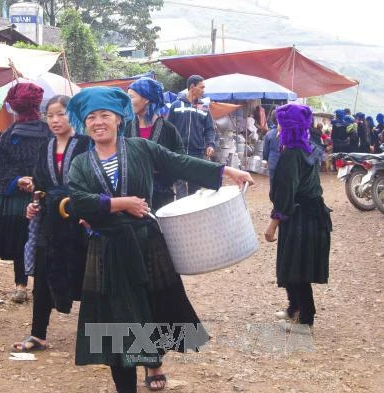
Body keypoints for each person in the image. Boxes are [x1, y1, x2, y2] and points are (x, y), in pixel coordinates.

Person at [66, 87, 254, 393]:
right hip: (108, 248)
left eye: (105, 115)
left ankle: (154, 362)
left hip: (145, 243)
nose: (98, 122)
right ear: (85, 124)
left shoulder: (141, 148)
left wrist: (227, 170)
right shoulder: (81, 164)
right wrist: (121, 203)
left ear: (118, 119)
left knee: (152, 308)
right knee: (116, 323)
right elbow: (78, 200)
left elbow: (179, 163)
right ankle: (125, 386)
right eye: (91, 117)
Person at [12, 95, 89, 352]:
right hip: (50, 223)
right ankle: (38, 334)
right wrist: (34, 203)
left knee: (87, 276)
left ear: (74, 115)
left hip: (81, 222)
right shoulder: (45, 147)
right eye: (50, 115)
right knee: (43, 274)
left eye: (61, 114)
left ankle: (92, 338)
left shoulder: (86, 145)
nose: (55, 120)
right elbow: (40, 185)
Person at [264, 103, 332, 335]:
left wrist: (273, 223)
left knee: (297, 267)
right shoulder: (309, 147)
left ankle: (306, 319)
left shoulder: (292, 154)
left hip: (301, 216)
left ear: (288, 128)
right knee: (290, 263)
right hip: (310, 215)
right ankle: (294, 308)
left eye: (280, 126)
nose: (278, 130)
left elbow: (286, 194)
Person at [0, 83, 50, 303]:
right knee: (43, 240)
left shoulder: (7, 136)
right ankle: (40, 287)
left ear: (15, 107)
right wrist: (33, 180)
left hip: (18, 197)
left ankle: (21, 286)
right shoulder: (49, 133)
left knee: (19, 243)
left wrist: (18, 180)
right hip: (44, 195)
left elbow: (0, 168)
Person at [126, 77, 184, 210]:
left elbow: (179, 159)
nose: (129, 102)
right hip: (132, 198)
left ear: (146, 99)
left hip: (162, 196)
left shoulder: (169, 129)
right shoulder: (127, 127)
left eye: (132, 97)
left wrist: (162, 174)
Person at [168, 75, 216, 198]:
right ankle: (181, 215)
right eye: (201, 87)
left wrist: (210, 144)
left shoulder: (204, 107)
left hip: (197, 153)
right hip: (179, 153)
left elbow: (210, 129)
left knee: (195, 190)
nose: (203, 90)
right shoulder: (175, 105)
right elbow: (168, 129)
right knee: (180, 187)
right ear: (192, 87)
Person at [263, 109, 280, 185]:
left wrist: (266, 159)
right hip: (284, 161)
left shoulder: (269, 134)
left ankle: (273, 196)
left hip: (273, 161)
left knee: (273, 183)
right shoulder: (287, 133)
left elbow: (266, 150)